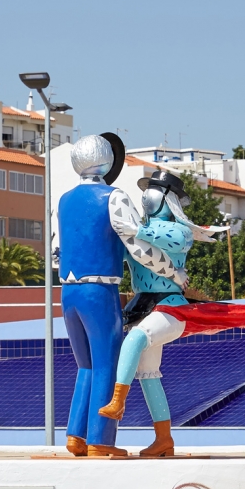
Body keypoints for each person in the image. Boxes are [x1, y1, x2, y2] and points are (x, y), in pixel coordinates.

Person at [97, 170, 245, 457]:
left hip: (171, 306)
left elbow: (156, 236)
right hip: (142, 306)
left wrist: (131, 228)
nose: (147, 194)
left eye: (154, 189)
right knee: (148, 374)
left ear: (166, 198)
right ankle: (164, 440)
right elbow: (123, 250)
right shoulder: (136, 235)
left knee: (135, 340)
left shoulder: (179, 231)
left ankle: (118, 402)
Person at [58, 134, 183, 457]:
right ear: (109, 161)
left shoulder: (64, 200)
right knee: (106, 365)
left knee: (84, 365)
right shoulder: (113, 197)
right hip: (99, 290)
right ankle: (101, 440)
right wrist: (172, 271)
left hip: (68, 291)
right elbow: (136, 246)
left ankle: (75, 435)